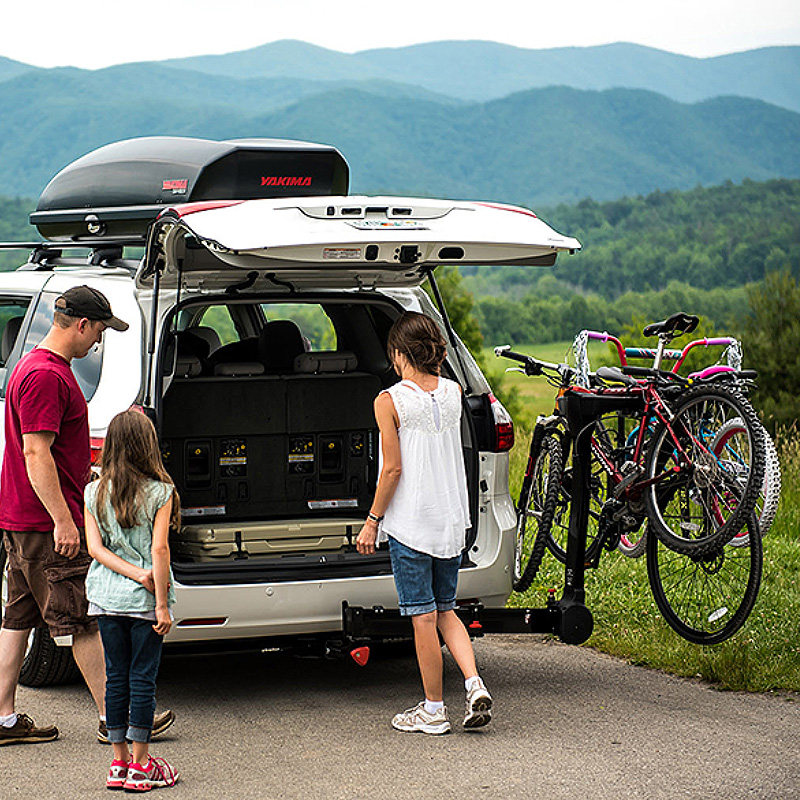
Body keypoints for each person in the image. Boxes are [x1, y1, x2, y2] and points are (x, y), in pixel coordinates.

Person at [0, 285, 173, 746]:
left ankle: (4, 719)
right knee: (82, 617)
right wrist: (63, 519)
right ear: (81, 324)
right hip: (44, 524)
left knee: (18, 617)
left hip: (22, 520)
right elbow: (36, 453)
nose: (97, 342)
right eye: (97, 331)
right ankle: (112, 717)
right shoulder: (45, 376)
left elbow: (47, 452)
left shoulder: (32, 367)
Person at [356, 311, 493, 734]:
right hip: (450, 523)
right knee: (447, 609)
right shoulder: (453, 392)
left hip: (412, 525)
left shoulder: (389, 400)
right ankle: (473, 684)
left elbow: (392, 470)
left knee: (423, 617)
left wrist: (372, 520)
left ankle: (433, 710)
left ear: (399, 354)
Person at [84, 409, 179, 790]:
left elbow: (95, 549)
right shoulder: (161, 492)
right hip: (143, 603)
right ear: (147, 446)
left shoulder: (93, 491)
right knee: (143, 677)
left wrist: (126, 572)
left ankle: (118, 762)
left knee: (115, 677)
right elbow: (159, 549)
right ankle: (142, 765)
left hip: (106, 599)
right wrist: (158, 600)